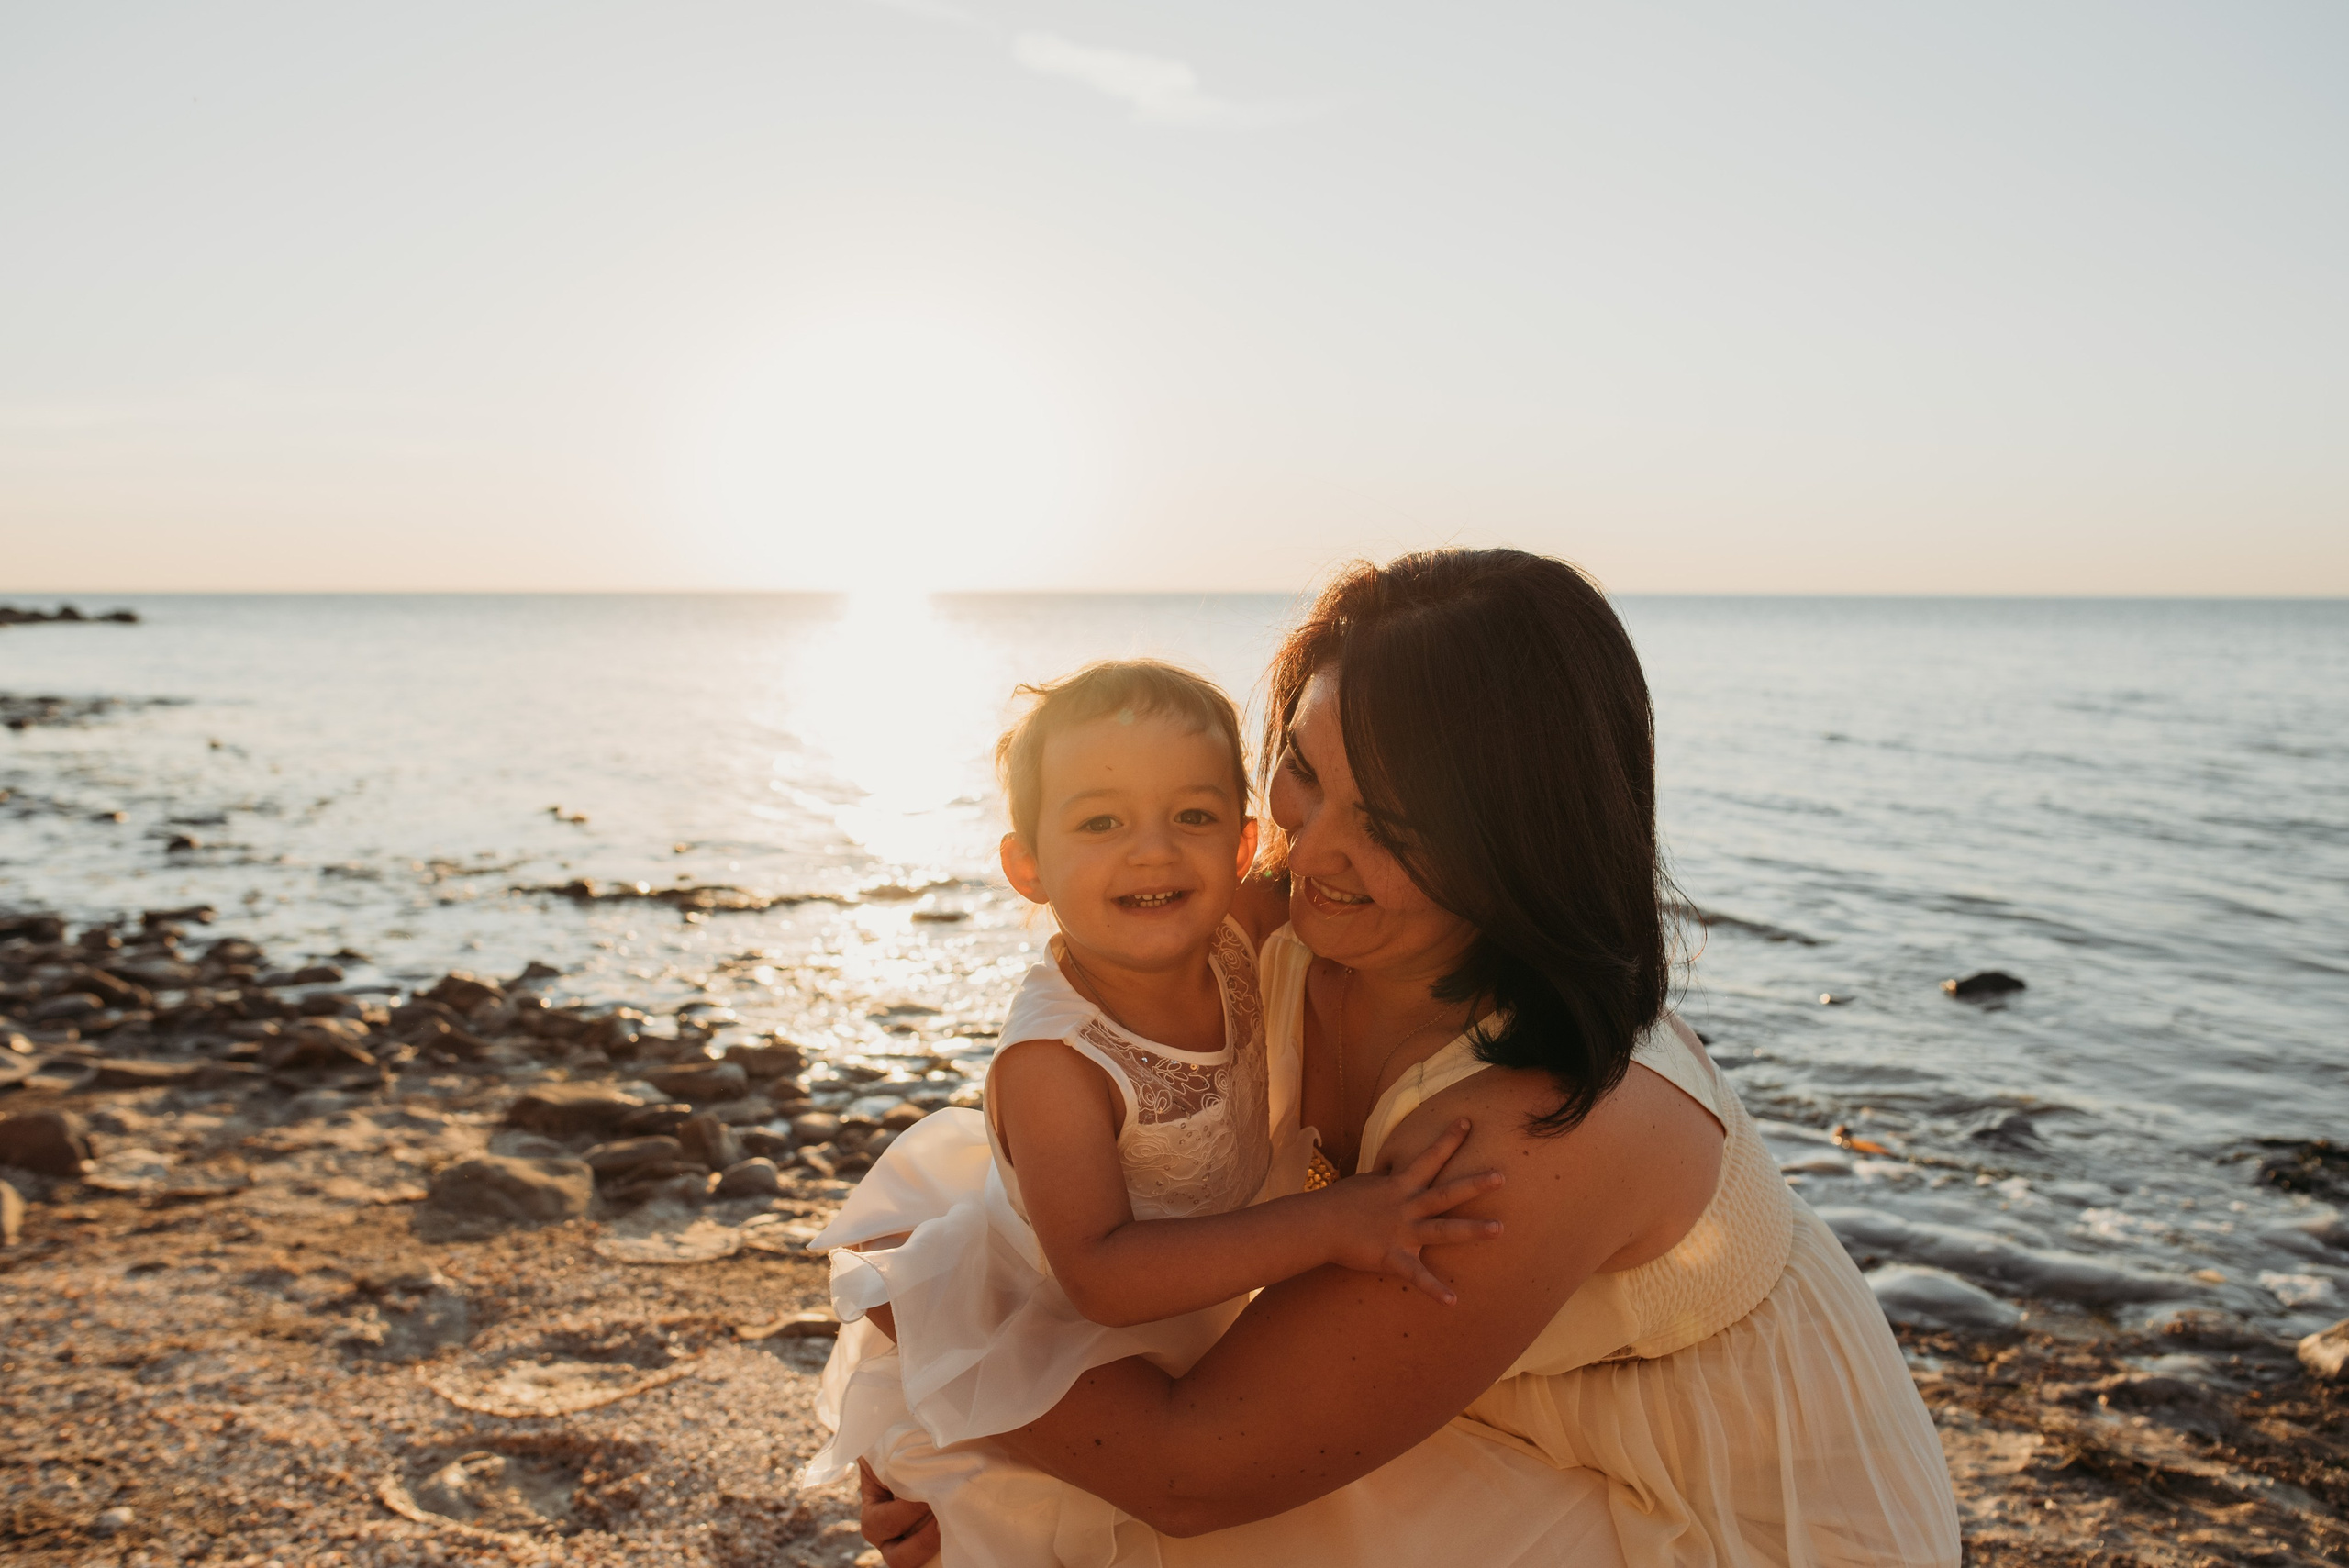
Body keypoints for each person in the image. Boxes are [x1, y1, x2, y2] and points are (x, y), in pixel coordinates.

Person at [859, 550, 1962, 1566]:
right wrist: (954, 1469)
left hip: (1713, 1513)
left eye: (1390, 819)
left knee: (1195, 1523)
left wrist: (930, 1326)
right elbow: (1094, 1096)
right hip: (1505, 1421)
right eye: (1300, 771)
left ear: (1518, 832)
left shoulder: (1543, 1124)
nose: (1314, 851)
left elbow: (1189, 1471)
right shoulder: (1276, 920)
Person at [802, 659, 1508, 1567]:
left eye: (1193, 816)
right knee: (1025, 1535)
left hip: (1183, 1321)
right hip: (1056, 1335)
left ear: (1247, 842)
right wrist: (1332, 1219)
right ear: (1027, 866)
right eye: (1100, 821)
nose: (1152, 850)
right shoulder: (1056, 1062)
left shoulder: (1234, 931)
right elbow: (1102, 1272)